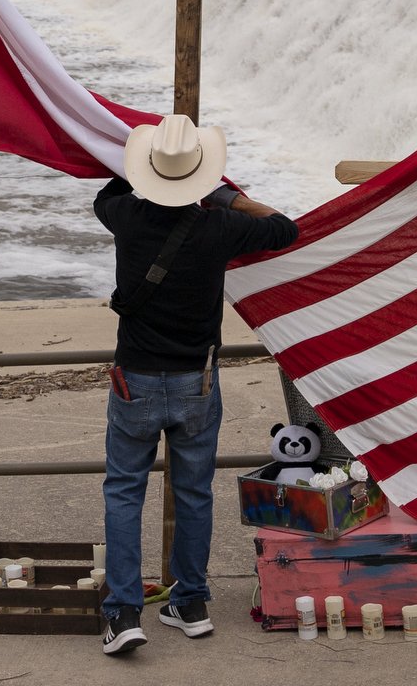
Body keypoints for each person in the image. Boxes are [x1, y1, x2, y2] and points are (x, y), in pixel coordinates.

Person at [94, 114, 297, 656]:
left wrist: (137, 162)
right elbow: (285, 227)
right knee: (193, 492)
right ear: (201, 176)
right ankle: (190, 603)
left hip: (135, 380)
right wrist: (229, 198)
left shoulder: (125, 218)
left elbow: (108, 191)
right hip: (196, 382)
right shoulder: (221, 227)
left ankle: (124, 612)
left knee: (124, 492)